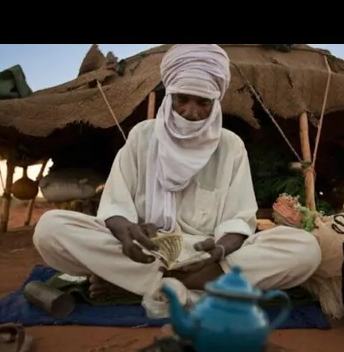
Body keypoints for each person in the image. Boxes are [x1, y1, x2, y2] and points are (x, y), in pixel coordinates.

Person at [33, 44, 322, 301]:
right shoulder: (143, 136)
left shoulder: (230, 146)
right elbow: (116, 204)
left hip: (205, 257)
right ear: (169, 96)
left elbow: (238, 220)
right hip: (143, 252)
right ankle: (177, 285)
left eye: (203, 102)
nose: (192, 112)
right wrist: (125, 233)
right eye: (183, 99)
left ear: (215, 103)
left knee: (305, 249)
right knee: (51, 229)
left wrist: (219, 251)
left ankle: (147, 286)